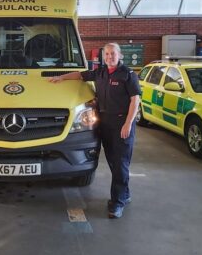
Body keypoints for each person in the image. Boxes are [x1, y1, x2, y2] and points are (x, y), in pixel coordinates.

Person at [48, 43, 140, 218]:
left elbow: (135, 101)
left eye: (113, 54)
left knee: (121, 163)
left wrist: (128, 124)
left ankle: (117, 203)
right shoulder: (101, 73)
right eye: (106, 54)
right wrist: (61, 78)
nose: (109, 57)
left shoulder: (128, 75)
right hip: (105, 123)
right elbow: (80, 75)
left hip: (122, 123)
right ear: (103, 56)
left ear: (120, 55)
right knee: (114, 162)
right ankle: (125, 194)